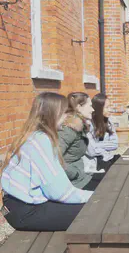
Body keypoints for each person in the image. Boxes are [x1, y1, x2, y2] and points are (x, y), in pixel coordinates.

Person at [0, 92, 93, 231]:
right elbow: (59, 192)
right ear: (52, 114)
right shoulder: (41, 141)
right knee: (95, 212)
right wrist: (94, 195)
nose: (67, 115)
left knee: (94, 208)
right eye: (64, 112)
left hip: (20, 207)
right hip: (26, 211)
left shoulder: (35, 136)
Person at [58, 92, 94, 189]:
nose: (93, 109)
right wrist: (74, 173)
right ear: (79, 107)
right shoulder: (69, 129)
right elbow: (54, 158)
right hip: (71, 182)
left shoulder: (79, 125)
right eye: (90, 106)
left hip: (79, 176)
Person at [85, 93, 120, 191]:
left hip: (107, 158)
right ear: (98, 108)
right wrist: (102, 148)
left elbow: (115, 144)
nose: (110, 110)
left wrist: (97, 145)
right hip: (94, 165)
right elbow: (91, 151)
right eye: (107, 107)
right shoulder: (89, 124)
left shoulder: (109, 122)